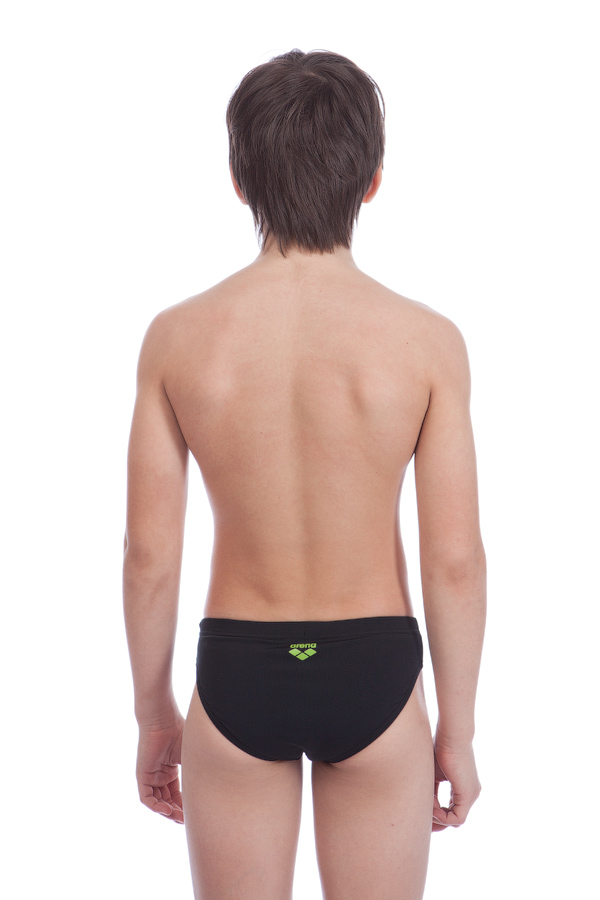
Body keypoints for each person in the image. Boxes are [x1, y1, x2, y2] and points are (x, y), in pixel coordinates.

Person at [123, 48, 486, 900]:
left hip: (238, 666)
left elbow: (149, 556)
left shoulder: (177, 339)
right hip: (376, 669)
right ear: (372, 181)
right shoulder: (427, 343)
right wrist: (458, 732)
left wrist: (153, 714)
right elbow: (455, 561)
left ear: (239, 180)